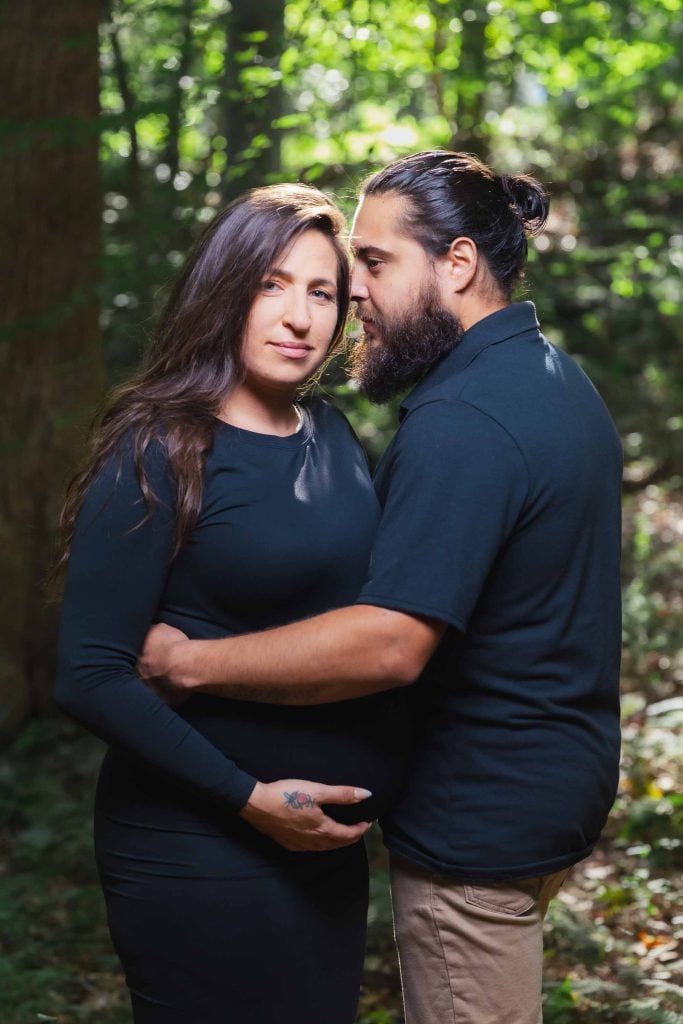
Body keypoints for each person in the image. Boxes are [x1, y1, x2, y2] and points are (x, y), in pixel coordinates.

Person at [140, 152, 623, 1024]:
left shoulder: (464, 420)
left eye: (374, 261)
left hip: (475, 830)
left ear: (458, 265)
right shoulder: (553, 380)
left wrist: (191, 663)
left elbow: (392, 643)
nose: (353, 291)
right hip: (555, 791)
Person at [54, 183, 414, 1024]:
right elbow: (89, 672)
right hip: (197, 849)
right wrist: (248, 798)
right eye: (271, 285)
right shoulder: (160, 443)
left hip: (324, 854)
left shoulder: (331, 434)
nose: (299, 316)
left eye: (321, 292)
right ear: (225, 292)